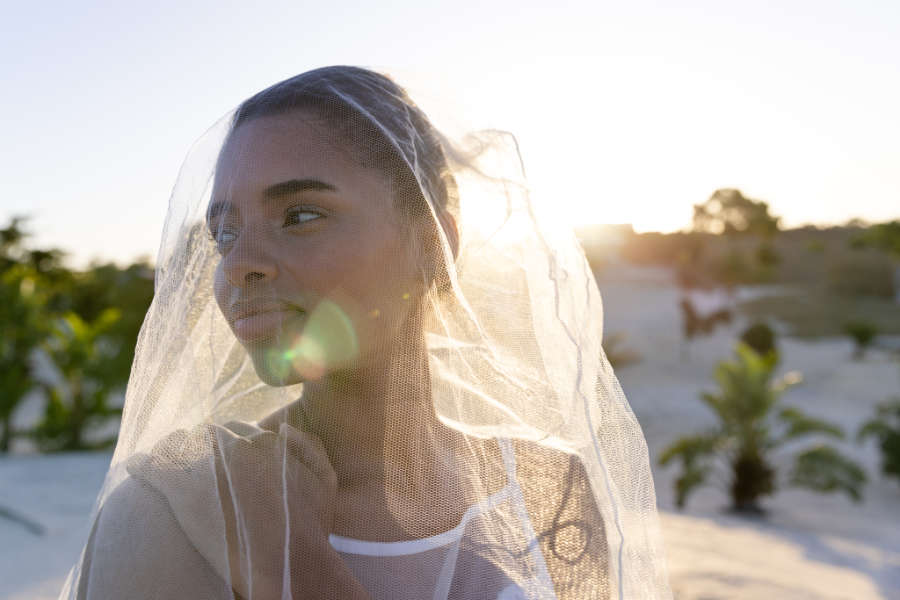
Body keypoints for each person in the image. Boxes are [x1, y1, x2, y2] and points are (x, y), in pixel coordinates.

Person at [60, 66, 671, 599]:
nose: (238, 262)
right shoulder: (182, 508)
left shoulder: (548, 482)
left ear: (433, 244)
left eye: (301, 215)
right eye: (224, 232)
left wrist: (294, 564)